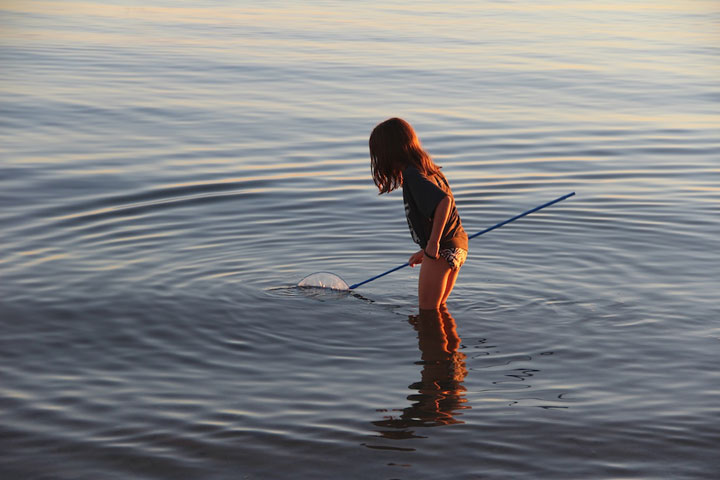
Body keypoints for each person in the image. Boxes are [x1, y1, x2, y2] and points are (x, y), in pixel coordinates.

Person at [369, 118, 468, 310]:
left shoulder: (413, 175)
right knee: (438, 309)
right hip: (458, 246)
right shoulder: (428, 169)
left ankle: (429, 338)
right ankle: (446, 338)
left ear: (388, 152)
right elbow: (440, 215)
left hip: (443, 250)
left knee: (428, 311)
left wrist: (433, 244)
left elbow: (443, 203)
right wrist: (425, 250)